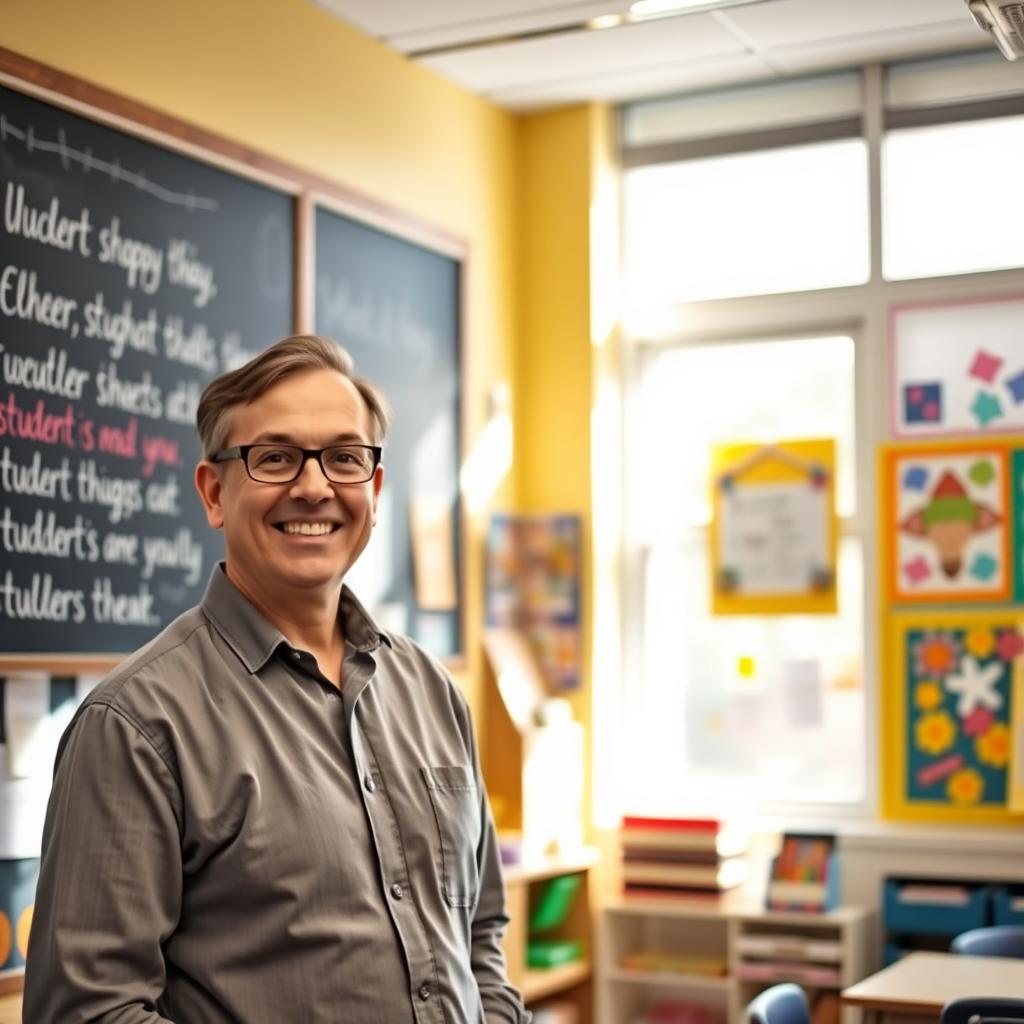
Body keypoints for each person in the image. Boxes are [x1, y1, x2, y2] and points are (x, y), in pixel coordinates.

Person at [24, 335, 530, 1024]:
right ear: (213, 493)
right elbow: (89, 1013)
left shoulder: (433, 693)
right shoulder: (137, 725)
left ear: (374, 491)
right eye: (276, 458)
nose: (315, 486)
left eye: (345, 459)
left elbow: (479, 943)